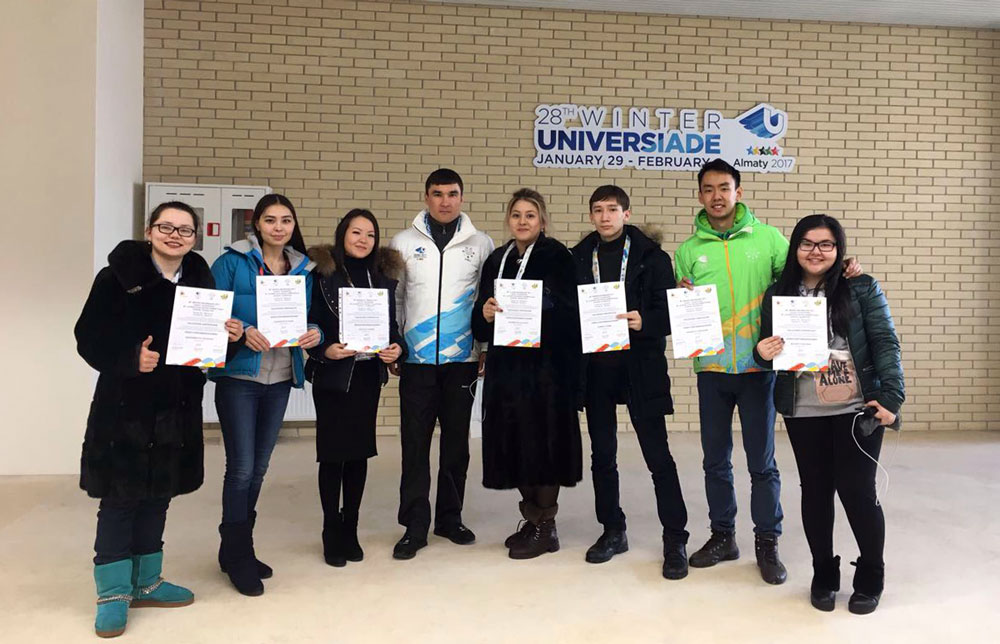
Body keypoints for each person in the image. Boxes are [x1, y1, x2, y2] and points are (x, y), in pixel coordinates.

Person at [676, 159, 862, 586]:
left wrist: (843, 267)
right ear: (700, 195)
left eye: (724, 187)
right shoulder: (687, 251)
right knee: (714, 461)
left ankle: (767, 541)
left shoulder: (770, 239)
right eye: (709, 189)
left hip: (760, 369)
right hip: (712, 368)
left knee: (762, 462)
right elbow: (684, 304)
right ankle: (723, 536)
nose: (717, 196)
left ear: (738, 192)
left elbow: (807, 274)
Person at [75, 202, 243, 638]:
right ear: (149, 231)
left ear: (194, 239)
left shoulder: (201, 282)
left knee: (158, 496)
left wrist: (231, 339)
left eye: (185, 230)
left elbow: (208, 354)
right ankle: (113, 594)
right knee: (120, 499)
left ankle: (147, 581)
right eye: (166, 227)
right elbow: (87, 336)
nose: (175, 235)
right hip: (124, 410)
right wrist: (130, 358)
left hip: (177, 407)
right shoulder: (115, 278)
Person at [754, 214, 903, 614]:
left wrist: (891, 397)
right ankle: (824, 571)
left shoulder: (860, 287)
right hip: (803, 409)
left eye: (826, 244)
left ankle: (871, 574)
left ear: (839, 249)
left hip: (857, 407)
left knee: (858, 491)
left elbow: (885, 342)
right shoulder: (778, 294)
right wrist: (761, 353)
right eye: (807, 243)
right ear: (795, 248)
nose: (816, 251)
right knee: (816, 492)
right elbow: (768, 350)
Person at [571, 185, 690, 579]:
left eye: (612, 209)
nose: (605, 216)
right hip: (596, 369)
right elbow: (569, 312)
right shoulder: (578, 257)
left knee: (658, 457)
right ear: (591, 216)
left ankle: (675, 538)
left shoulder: (653, 258)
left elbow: (669, 314)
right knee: (602, 455)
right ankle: (612, 530)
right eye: (598, 210)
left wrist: (646, 321)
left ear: (626, 213)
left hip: (640, 366)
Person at [209, 193, 321, 596]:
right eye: (270, 219)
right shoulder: (230, 262)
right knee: (240, 468)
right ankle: (239, 554)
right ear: (256, 223)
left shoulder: (304, 269)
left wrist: (315, 332)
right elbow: (209, 313)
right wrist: (240, 329)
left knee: (258, 468)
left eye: (286, 220)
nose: (279, 227)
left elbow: (313, 317)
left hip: (280, 377)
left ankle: (235, 548)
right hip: (240, 376)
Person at [387, 168, 494, 559]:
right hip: (416, 360)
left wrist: (484, 347)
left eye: (452, 194)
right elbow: (396, 297)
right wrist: (397, 343)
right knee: (414, 444)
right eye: (437, 194)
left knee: (456, 445)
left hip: (462, 360)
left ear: (462, 198)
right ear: (426, 197)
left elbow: (486, 299)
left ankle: (450, 518)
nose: (445, 201)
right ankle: (414, 526)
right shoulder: (402, 242)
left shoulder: (481, 243)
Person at [472, 188, 582, 559]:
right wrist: (485, 314)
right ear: (508, 220)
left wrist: (541, 305)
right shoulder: (497, 260)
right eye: (516, 215)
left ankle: (546, 526)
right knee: (513, 443)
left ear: (543, 221)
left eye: (530, 215)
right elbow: (480, 320)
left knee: (544, 446)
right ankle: (533, 520)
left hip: (546, 370)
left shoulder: (558, 257)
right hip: (506, 370)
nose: (522, 221)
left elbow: (571, 314)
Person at [305, 210, 405, 567]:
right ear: (342, 235)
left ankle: (351, 527)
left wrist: (397, 348)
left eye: (370, 234)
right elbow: (310, 321)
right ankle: (330, 528)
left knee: (359, 453)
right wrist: (324, 349)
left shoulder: (383, 277)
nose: (363, 240)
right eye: (356, 232)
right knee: (333, 454)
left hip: (366, 377)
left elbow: (391, 328)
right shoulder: (321, 274)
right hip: (334, 375)